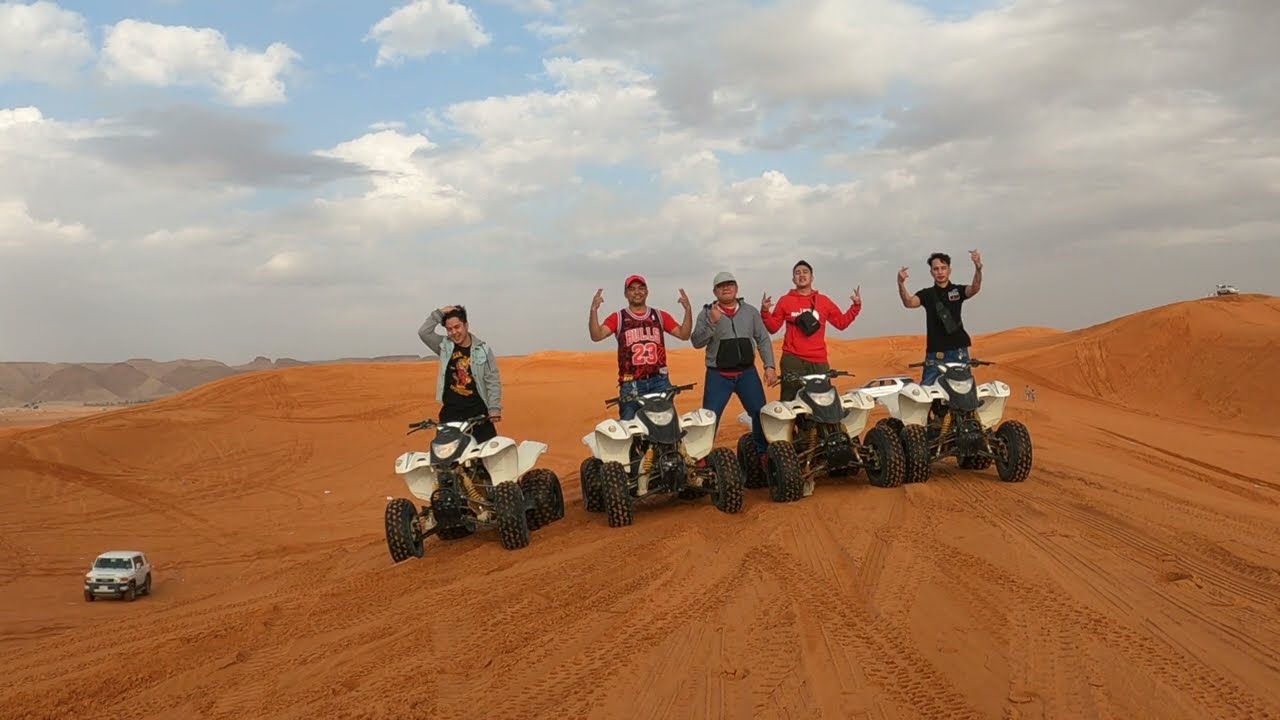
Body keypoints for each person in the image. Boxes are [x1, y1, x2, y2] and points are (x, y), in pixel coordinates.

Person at [690, 271, 777, 460]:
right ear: (715, 291)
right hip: (718, 376)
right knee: (709, 419)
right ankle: (700, 460)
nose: (726, 288)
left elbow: (762, 338)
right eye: (721, 286)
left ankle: (763, 456)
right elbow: (696, 341)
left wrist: (769, 366)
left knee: (760, 414)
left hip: (747, 374)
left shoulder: (750, 311)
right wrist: (712, 323)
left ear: (736, 288)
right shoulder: (706, 313)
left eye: (730, 284)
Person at [588, 274, 692, 420]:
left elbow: (683, 334)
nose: (637, 292)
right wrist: (593, 310)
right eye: (632, 289)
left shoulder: (659, 316)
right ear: (626, 294)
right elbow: (596, 335)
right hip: (631, 384)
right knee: (630, 428)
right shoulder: (618, 318)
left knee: (666, 426)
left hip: (659, 381)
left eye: (641, 288)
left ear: (647, 291)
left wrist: (688, 310)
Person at [761, 259, 862, 401]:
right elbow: (773, 328)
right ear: (793, 279)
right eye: (797, 273)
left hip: (818, 361)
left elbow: (841, 323)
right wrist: (765, 312)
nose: (801, 275)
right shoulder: (785, 301)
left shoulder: (823, 301)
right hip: (793, 359)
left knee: (824, 402)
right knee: (790, 403)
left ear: (812, 277)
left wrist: (855, 307)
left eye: (805, 272)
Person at [896, 249, 983, 387]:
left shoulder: (957, 291)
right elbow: (909, 303)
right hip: (935, 354)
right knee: (926, 391)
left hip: (959, 351)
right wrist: (900, 283)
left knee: (964, 391)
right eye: (936, 269)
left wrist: (978, 268)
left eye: (943, 268)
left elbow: (975, 288)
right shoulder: (926, 294)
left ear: (949, 270)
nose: (940, 272)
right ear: (931, 272)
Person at [417, 304, 503, 443]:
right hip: (451, 414)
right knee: (445, 459)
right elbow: (424, 333)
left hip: (478, 416)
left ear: (466, 325)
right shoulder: (444, 346)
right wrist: (440, 312)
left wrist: (494, 408)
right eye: (449, 329)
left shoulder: (483, 350)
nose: (454, 332)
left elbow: (492, 380)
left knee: (489, 458)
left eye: (457, 327)